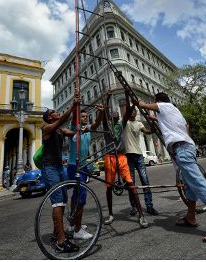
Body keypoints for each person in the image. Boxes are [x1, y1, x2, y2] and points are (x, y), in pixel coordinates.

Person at [135, 92, 206, 243]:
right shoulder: (175, 113)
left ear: (159, 101)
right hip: (184, 148)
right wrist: (152, 117)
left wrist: (140, 103)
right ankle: (191, 217)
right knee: (190, 188)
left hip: (182, 149)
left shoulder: (165, 106)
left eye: (156, 104)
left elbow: (143, 106)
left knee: (199, 185)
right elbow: (183, 126)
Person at [102, 90, 149, 228]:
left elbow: (128, 111)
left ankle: (141, 215)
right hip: (110, 157)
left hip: (122, 157)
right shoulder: (107, 126)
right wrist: (108, 97)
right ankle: (110, 214)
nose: (115, 113)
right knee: (109, 188)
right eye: (112, 112)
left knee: (131, 184)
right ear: (110, 116)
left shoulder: (122, 124)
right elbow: (104, 112)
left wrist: (128, 96)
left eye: (117, 112)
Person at [42, 95, 80, 254]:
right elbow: (64, 118)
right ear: (50, 117)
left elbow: (71, 130)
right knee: (57, 202)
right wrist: (72, 106)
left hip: (59, 167)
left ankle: (57, 233)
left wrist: (82, 127)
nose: (57, 112)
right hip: (50, 168)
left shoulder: (60, 130)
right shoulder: (46, 128)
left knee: (62, 201)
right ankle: (60, 241)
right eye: (55, 112)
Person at [67, 104, 104, 239]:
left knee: (76, 196)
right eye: (82, 116)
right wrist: (76, 104)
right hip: (73, 165)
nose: (85, 118)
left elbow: (97, 123)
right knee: (81, 197)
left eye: (87, 116)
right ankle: (77, 230)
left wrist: (101, 112)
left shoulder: (87, 129)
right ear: (78, 118)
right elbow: (73, 119)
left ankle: (73, 224)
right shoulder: (74, 128)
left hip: (82, 166)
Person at [124, 102, 159, 216]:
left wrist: (152, 128)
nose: (133, 112)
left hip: (139, 156)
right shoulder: (125, 123)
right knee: (131, 183)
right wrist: (133, 104)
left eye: (134, 110)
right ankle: (134, 206)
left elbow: (147, 132)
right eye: (131, 110)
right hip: (129, 156)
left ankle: (149, 206)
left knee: (145, 181)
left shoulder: (139, 124)